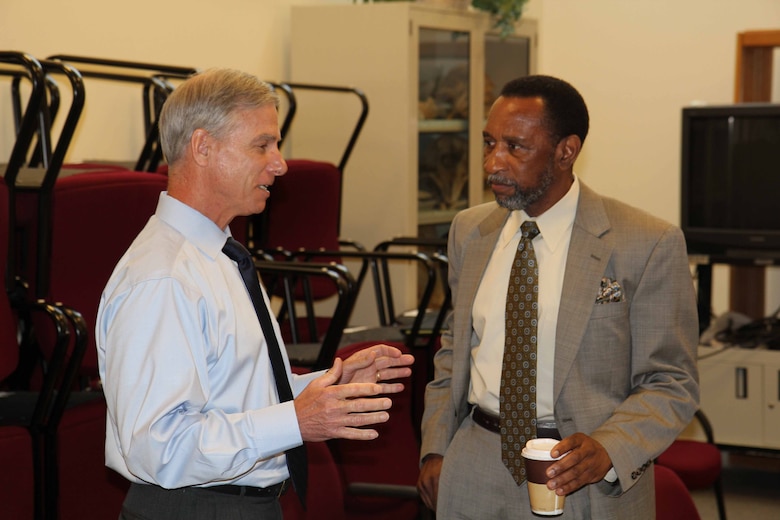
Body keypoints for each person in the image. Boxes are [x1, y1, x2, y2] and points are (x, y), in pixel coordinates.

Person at [96, 68, 414, 520]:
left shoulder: (223, 254)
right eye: (262, 145)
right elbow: (158, 446)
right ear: (202, 148)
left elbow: (236, 396)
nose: (280, 163)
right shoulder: (162, 277)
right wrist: (296, 421)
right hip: (193, 508)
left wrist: (326, 387)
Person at [416, 75, 699, 519]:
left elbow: (671, 381)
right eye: (489, 144)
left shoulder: (646, 242)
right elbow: (454, 351)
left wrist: (610, 448)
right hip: (474, 463)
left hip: (581, 475)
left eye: (515, 147)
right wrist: (434, 447)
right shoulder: (470, 231)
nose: (493, 163)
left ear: (566, 151)